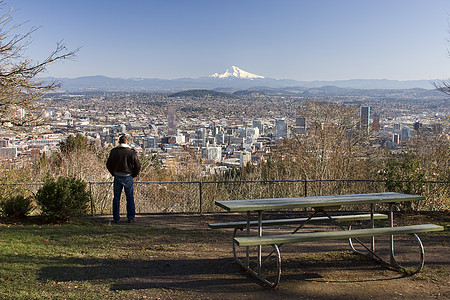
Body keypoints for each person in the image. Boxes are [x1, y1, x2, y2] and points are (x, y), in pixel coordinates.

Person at [106, 135, 141, 223]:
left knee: (116, 197)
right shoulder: (131, 152)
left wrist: (113, 173)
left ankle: (116, 218)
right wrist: (133, 175)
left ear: (119, 142)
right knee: (129, 197)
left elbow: (108, 164)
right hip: (128, 176)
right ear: (127, 142)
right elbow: (137, 165)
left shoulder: (114, 152)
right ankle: (131, 217)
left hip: (117, 176)